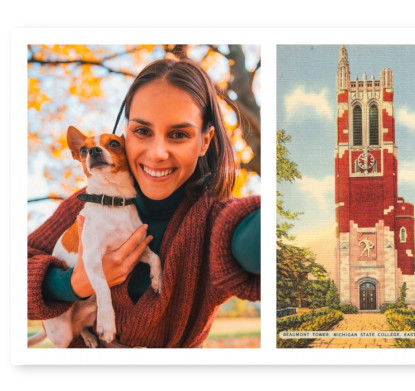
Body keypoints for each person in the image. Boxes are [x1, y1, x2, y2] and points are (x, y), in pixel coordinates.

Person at [27, 58, 260, 348]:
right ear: (125, 135)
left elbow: (253, 239)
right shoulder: (83, 204)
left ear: (204, 141)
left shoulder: (214, 220)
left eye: (178, 134)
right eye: (142, 131)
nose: (156, 153)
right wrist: (72, 284)